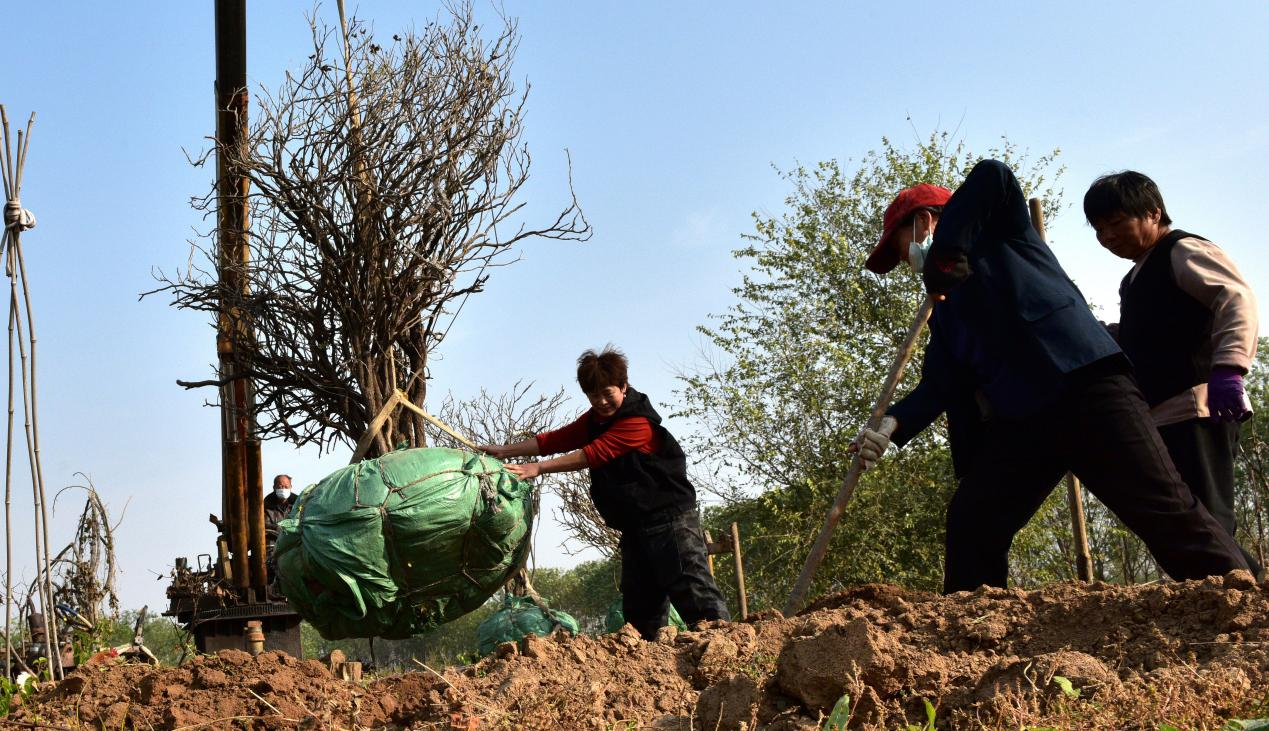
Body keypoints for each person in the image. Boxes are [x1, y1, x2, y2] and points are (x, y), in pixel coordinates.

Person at [854, 159, 1250, 593]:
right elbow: (941, 383)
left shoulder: (1002, 235)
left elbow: (994, 175)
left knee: (1167, 512)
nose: (902, 261)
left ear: (926, 222)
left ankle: (1248, 608)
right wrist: (891, 426)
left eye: (899, 247)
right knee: (974, 521)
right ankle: (970, 633)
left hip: (1087, 391)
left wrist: (946, 251)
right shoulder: (945, 310)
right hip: (1022, 421)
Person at [479, 347, 730, 639]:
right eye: (592, 395)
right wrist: (505, 451)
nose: (600, 401)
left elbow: (593, 454)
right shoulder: (595, 420)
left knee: (696, 594)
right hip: (635, 528)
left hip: (672, 523)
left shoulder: (638, 423)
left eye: (607, 393)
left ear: (623, 386)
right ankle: (648, 665)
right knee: (640, 608)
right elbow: (555, 439)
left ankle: (725, 648)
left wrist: (539, 468)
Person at [1084, 171, 1261, 575]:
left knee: (1208, 521)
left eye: (1116, 223)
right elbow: (1142, 338)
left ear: (1152, 213)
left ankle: (1246, 606)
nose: (1108, 236)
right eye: (1099, 229)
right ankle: (1230, 600)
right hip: (1161, 415)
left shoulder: (1183, 250)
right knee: (1186, 522)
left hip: (1198, 406)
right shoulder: (1135, 277)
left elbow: (1234, 298)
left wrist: (1230, 369)